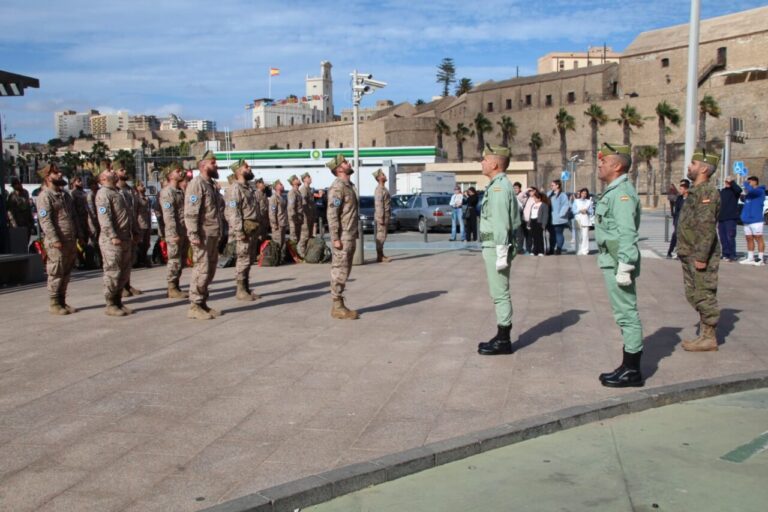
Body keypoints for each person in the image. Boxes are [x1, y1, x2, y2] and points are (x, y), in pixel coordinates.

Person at [594, 143, 644, 387]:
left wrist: (625, 264)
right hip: (611, 259)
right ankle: (627, 364)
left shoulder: (622, 193)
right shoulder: (614, 191)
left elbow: (627, 233)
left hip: (618, 261)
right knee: (622, 313)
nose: (599, 165)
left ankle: (633, 370)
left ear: (617, 165)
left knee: (626, 314)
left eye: (603, 162)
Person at [476, 145, 522, 356]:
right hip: (493, 245)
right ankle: (501, 334)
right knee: (498, 292)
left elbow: (502, 221)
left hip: (496, 246)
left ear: (494, 164)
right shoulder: (499, 185)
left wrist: (502, 252)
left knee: (500, 293)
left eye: (485, 160)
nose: (482, 163)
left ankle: (504, 339)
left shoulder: (499, 187)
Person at [677, 149, 722, 352]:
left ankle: (709, 337)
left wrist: (702, 256)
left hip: (699, 254)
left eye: (693, 163)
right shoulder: (696, 191)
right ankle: (704, 335)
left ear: (703, 168)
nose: (689, 166)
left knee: (703, 294)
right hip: (690, 252)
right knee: (694, 293)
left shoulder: (707, 192)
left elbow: (706, 226)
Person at [36, 164, 85, 315]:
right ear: (47, 177)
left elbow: (74, 216)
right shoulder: (45, 196)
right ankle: (54, 302)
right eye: (55, 173)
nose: (60, 174)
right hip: (57, 242)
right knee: (56, 272)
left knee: (66, 272)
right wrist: (54, 239)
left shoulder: (65, 195)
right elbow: (46, 221)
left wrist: (80, 234)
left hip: (70, 240)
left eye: (59, 172)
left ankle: (62, 300)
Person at [184, 150, 223, 320]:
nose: (216, 166)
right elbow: (191, 212)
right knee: (202, 269)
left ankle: (203, 303)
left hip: (213, 233)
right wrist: (193, 234)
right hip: (202, 234)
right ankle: (194, 305)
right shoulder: (196, 184)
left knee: (211, 270)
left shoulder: (211, 185)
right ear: (202, 165)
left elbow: (218, 208)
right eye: (212, 163)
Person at [95, 168, 134, 316]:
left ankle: (118, 301)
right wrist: (112, 236)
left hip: (124, 237)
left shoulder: (118, 192)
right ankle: (110, 303)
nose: (113, 171)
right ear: (102, 178)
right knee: (113, 271)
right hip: (112, 240)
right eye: (108, 171)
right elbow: (104, 218)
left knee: (124, 272)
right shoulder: (103, 193)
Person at [326, 154, 359, 319]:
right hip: (343, 235)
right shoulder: (338, 187)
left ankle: (339, 304)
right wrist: (335, 238)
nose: (348, 163)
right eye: (345, 162)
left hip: (349, 234)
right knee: (339, 270)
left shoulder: (348, 185)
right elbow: (332, 214)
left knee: (345, 270)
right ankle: (337, 306)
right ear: (339, 168)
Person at [225, 159, 261, 301]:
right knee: (243, 259)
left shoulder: (248, 187)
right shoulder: (235, 189)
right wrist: (239, 232)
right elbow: (233, 212)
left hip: (252, 228)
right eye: (246, 166)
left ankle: (246, 288)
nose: (249, 168)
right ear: (239, 171)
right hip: (244, 230)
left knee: (249, 260)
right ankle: (240, 290)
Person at [159, 163, 189, 299]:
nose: (181, 173)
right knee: (174, 260)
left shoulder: (179, 192)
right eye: (178, 171)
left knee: (181, 261)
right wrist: (173, 233)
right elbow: (168, 215)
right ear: (170, 175)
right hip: (174, 233)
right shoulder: (167, 192)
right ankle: (171, 287)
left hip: (182, 231)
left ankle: (176, 286)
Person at [115, 162, 142, 295]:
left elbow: (134, 211)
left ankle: (127, 285)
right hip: (119, 231)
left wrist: (136, 230)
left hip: (130, 228)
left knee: (128, 260)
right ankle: (119, 288)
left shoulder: (130, 190)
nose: (125, 172)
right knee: (119, 262)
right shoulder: (113, 190)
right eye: (121, 169)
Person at [738, 175, 766, 266]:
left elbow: (752, 190)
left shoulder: (759, 191)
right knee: (749, 238)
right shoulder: (749, 194)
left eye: (750, 182)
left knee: (758, 238)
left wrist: (746, 184)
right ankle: (750, 258)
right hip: (747, 220)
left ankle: (760, 259)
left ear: (755, 182)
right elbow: (743, 198)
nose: (748, 184)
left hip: (756, 220)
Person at [718, 176, 741, 262]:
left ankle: (732, 254)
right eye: (726, 182)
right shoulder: (722, 192)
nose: (727, 183)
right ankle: (725, 253)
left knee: (730, 236)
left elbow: (739, 190)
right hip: (721, 218)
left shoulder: (735, 191)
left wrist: (732, 182)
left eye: (729, 182)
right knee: (722, 237)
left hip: (730, 218)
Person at [6, 177, 35, 244]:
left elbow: (28, 208)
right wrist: (14, 224)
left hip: (27, 222)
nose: (19, 185)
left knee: (26, 241)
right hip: (18, 222)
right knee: (19, 242)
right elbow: (10, 212)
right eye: (16, 184)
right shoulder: (12, 196)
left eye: (19, 184)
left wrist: (31, 222)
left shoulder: (25, 192)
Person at [666, 179, 689, 258]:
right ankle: (670, 252)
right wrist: (675, 221)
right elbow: (676, 211)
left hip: (686, 222)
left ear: (686, 189)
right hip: (678, 221)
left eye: (681, 188)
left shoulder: (691, 199)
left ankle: (681, 253)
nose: (680, 190)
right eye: (680, 188)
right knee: (675, 236)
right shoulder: (679, 199)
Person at [373, 168, 392, 262]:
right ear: (379, 178)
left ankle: (381, 255)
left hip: (386, 215)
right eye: (383, 175)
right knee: (381, 236)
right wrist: (380, 218)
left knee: (383, 236)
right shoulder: (379, 190)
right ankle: (379, 256)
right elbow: (379, 205)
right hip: (382, 217)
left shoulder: (384, 188)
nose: (385, 176)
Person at [547, 179, 569, 254]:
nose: (551, 186)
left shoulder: (563, 195)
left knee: (558, 233)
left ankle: (559, 248)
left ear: (557, 185)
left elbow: (566, 205)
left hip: (559, 219)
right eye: (551, 185)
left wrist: (560, 215)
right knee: (552, 235)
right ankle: (551, 249)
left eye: (552, 185)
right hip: (550, 218)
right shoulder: (549, 194)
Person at [134, 181, 152, 268]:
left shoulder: (146, 198)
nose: (143, 187)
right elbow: (135, 212)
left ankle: (144, 259)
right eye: (141, 186)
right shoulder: (136, 199)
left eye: (143, 186)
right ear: (137, 188)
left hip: (147, 223)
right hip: (140, 224)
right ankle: (139, 261)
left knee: (147, 244)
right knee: (140, 244)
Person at [299, 172, 316, 256]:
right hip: (305, 216)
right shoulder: (303, 189)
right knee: (304, 236)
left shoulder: (309, 189)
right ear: (304, 179)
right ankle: (301, 254)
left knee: (309, 236)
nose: (310, 179)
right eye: (308, 177)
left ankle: (306, 253)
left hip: (310, 215)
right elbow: (303, 204)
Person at [572, 188, 594, 255]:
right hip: (578, 220)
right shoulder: (576, 201)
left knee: (585, 236)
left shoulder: (589, 202)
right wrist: (580, 211)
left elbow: (591, 212)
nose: (584, 195)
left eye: (585, 193)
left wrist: (587, 211)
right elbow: (573, 211)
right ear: (580, 193)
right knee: (578, 236)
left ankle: (585, 250)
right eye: (583, 193)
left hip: (585, 220)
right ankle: (578, 250)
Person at [528, 190, 548, 256]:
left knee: (539, 237)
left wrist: (544, 224)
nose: (535, 199)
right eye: (534, 198)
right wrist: (529, 223)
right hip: (533, 221)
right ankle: (534, 251)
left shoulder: (543, 205)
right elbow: (530, 214)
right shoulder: (533, 205)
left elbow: (545, 215)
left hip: (539, 222)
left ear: (540, 198)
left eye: (536, 198)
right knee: (534, 237)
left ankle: (541, 251)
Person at [287, 174, 304, 250]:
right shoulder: (292, 193)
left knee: (298, 236)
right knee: (294, 237)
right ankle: (293, 255)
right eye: (297, 179)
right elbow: (291, 207)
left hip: (298, 217)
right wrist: (294, 218)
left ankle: (296, 253)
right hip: (294, 218)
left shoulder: (298, 192)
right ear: (293, 182)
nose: (299, 179)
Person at [268, 179, 287, 246]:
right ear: (276, 187)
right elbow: (272, 212)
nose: (283, 186)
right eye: (281, 184)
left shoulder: (282, 197)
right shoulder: (274, 198)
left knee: (282, 243)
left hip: (282, 223)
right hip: (277, 225)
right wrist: (274, 224)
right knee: (277, 244)